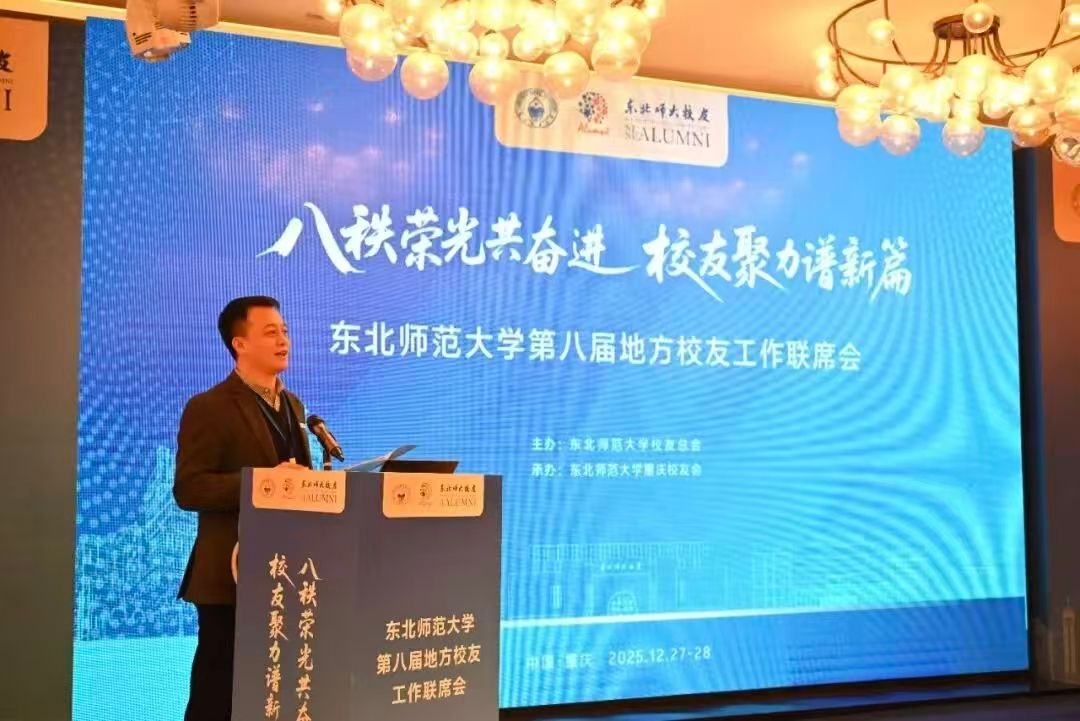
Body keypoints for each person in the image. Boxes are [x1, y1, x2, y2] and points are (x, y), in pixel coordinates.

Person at [173, 296, 312, 721]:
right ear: (239, 344)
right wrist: (264, 484)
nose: (284, 340)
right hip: (228, 577)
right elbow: (189, 489)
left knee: (272, 693)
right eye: (271, 332)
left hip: (286, 574)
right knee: (218, 694)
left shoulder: (294, 406)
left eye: (285, 331)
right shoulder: (210, 406)